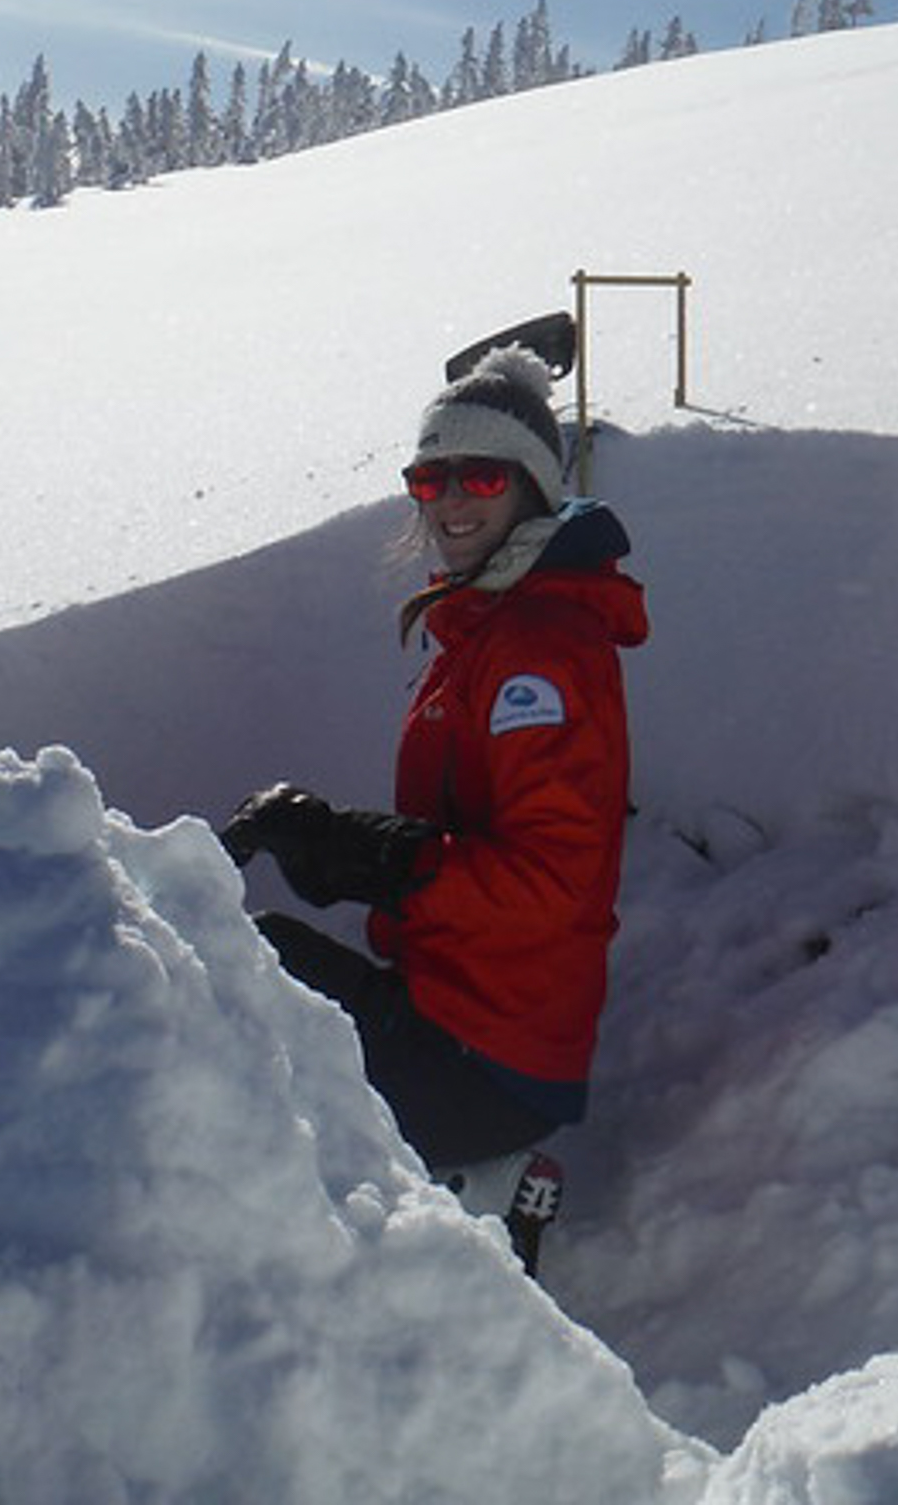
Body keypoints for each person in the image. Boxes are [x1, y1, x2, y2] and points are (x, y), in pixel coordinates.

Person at [222, 343, 648, 1183]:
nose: (451, 500)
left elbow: (551, 884)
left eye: (481, 477)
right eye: (431, 478)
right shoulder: (490, 626)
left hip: (489, 1063)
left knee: (226, 988)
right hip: (458, 1013)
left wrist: (370, 852)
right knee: (242, 957)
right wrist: (340, 843)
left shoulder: (537, 653)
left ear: (531, 486)